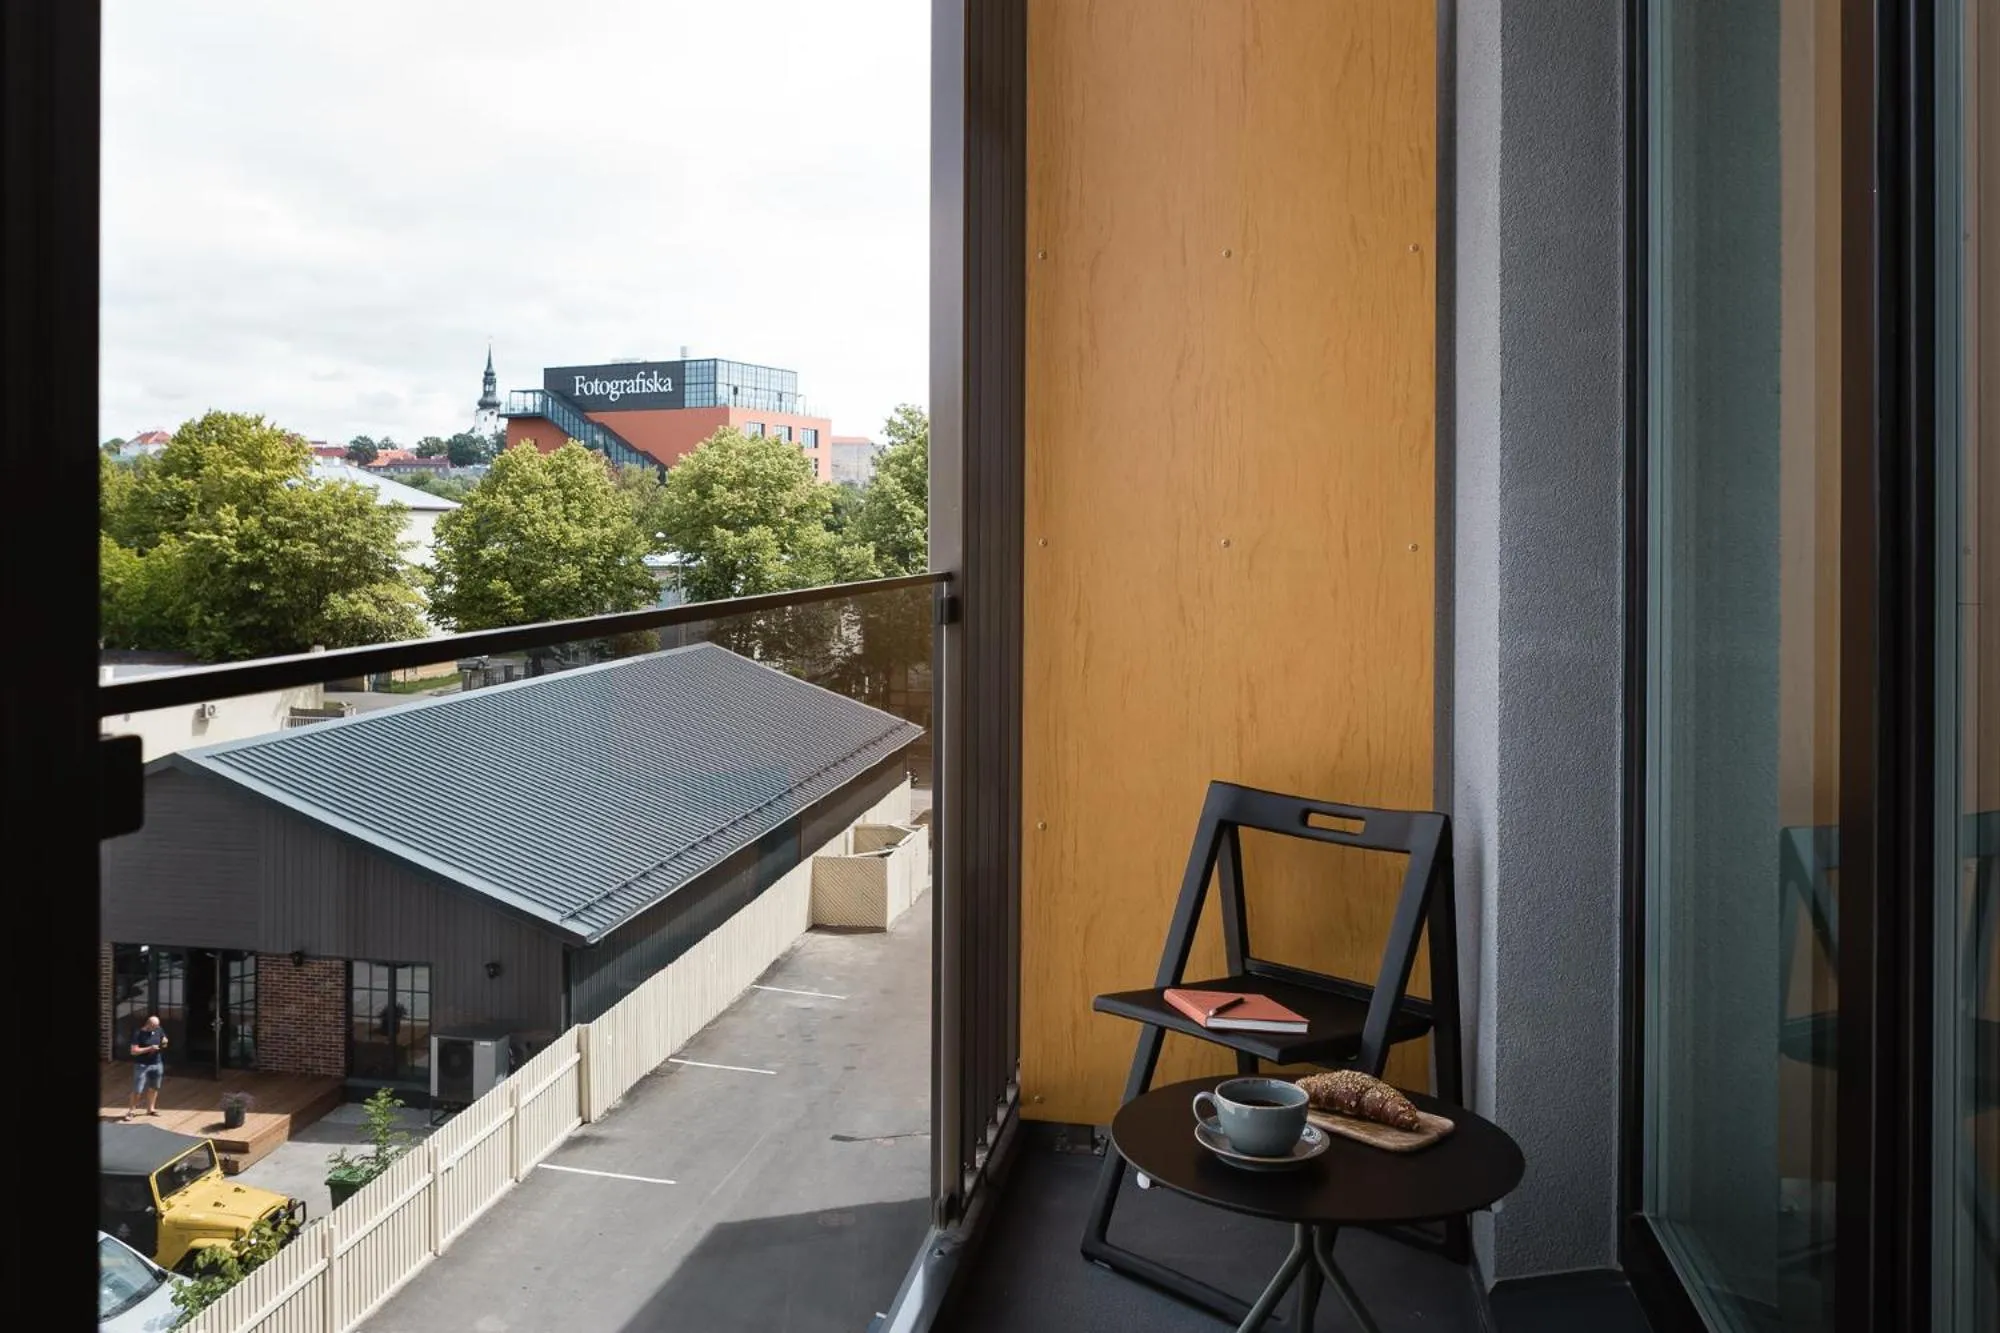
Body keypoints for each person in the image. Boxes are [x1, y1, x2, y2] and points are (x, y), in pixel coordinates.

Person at [123, 1015, 167, 1120]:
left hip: (157, 1063)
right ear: (148, 1025)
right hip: (142, 1065)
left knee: (154, 1087)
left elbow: (164, 1037)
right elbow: (133, 1051)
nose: (157, 1028)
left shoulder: (158, 1029)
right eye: (155, 1026)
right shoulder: (138, 1034)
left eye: (158, 1026)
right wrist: (149, 1048)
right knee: (138, 1089)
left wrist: (165, 1041)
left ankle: (151, 1109)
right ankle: (131, 1111)